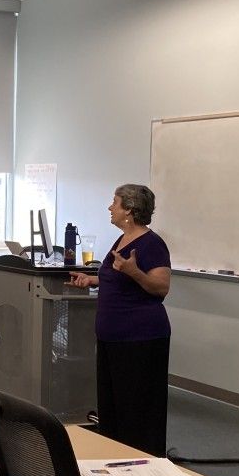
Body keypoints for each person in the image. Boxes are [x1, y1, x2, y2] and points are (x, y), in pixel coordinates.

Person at [68, 184, 172, 456]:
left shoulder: (152, 244)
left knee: (136, 408)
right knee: (113, 406)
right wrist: (92, 279)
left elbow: (160, 288)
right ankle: (116, 460)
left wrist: (135, 271)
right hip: (112, 337)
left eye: (114, 203)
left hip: (140, 338)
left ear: (129, 209)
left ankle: (143, 463)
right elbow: (117, 276)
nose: (110, 208)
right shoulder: (122, 239)